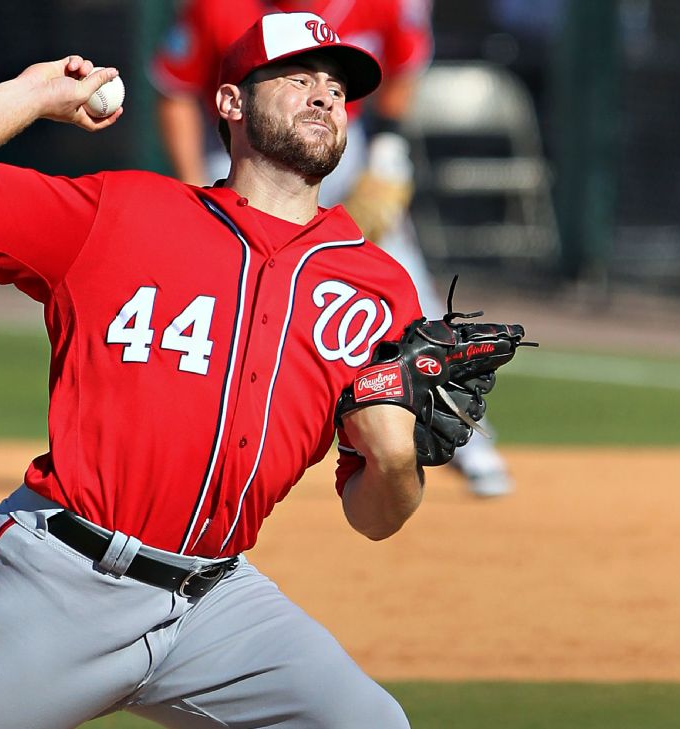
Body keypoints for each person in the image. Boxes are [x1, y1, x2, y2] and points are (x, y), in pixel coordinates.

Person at [0, 13, 428, 728]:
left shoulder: (378, 288)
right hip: (59, 583)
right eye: (297, 78)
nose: (323, 95)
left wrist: (397, 459)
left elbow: (375, 517)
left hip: (217, 607)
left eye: (335, 85)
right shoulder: (123, 211)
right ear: (229, 104)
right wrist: (33, 93)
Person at [152, 0, 516, 498]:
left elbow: (404, 66)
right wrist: (194, 186)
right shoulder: (220, 7)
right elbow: (175, 91)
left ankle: (464, 442)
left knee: (404, 281)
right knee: (211, 291)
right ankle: (181, 439)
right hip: (249, 148)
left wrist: (389, 147)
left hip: (345, 148)